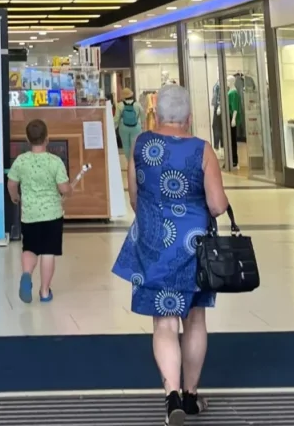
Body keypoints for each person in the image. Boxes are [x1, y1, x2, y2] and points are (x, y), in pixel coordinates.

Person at [112, 85, 228, 425]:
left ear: (156, 115)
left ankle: (171, 395)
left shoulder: (141, 144)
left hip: (153, 244)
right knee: (194, 319)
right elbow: (218, 205)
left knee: (163, 322)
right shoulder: (202, 150)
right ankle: (191, 396)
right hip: (194, 247)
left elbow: (133, 197)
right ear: (189, 118)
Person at [7, 119, 70, 303]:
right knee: (48, 252)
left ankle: (27, 274)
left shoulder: (21, 160)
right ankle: (44, 292)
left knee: (30, 248)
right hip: (52, 214)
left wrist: (14, 196)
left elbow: (11, 184)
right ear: (47, 138)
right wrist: (69, 191)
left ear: (27, 139)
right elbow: (64, 188)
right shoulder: (55, 161)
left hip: (30, 214)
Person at [116, 88, 143, 160]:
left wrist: (114, 127)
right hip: (136, 127)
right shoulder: (137, 104)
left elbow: (116, 118)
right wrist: (142, 126)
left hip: (123, 127)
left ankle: (129, 162)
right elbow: (143, 116)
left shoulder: (120, 105)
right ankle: (135, 162)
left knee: (126, 146)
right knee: (135, 145)